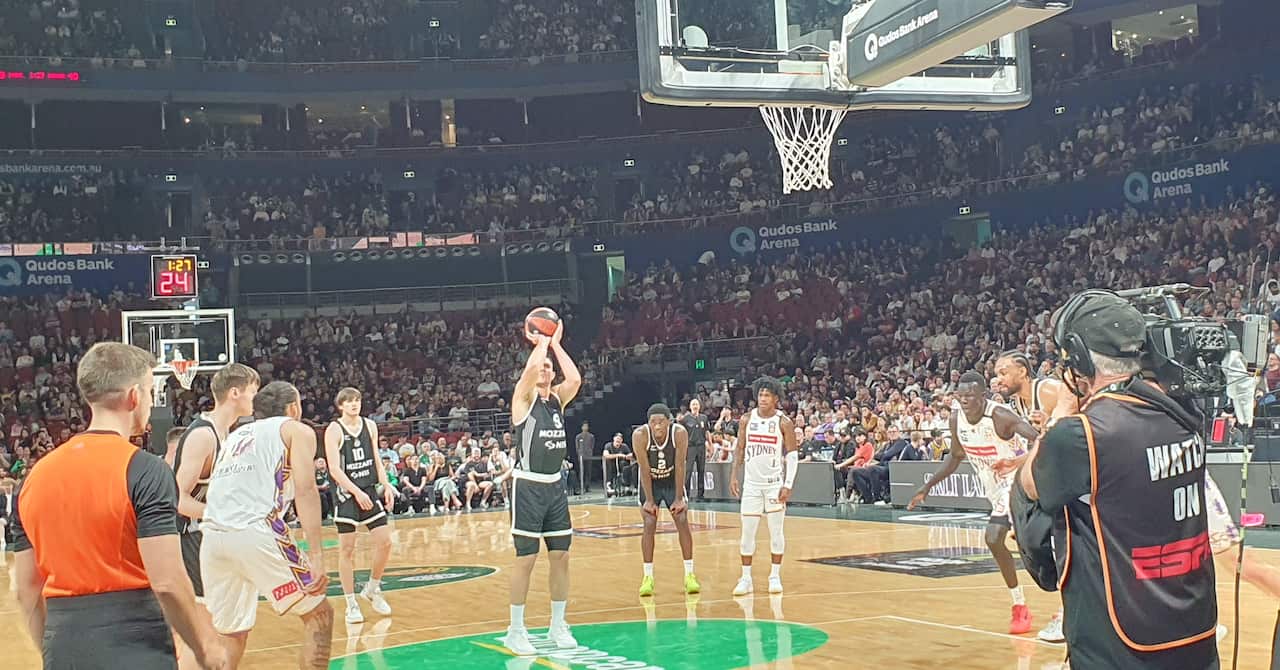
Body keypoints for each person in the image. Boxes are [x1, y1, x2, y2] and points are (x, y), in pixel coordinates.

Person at [1017, 290, 1219, 668]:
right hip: (1194, 627)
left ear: (1078, 359)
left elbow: (1029, 484)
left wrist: (1063, 409)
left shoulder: (1082, 433)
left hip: (1121, 641)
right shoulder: (1188, 411)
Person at [11, 342, 227, 670]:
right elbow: (167, 581)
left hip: (63, 639)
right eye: (150, 390)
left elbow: (26, 589)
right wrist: (204, 648)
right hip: (134, 638)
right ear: (134, 396)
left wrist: (52, 651)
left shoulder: (33, 477)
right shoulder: (145, 469)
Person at [200, 381, 333, 669]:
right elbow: (306, 490)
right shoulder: (296, 429)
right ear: (293, 408)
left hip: (211, 537)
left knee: (231, 633)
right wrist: (316, 556)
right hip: (255, 529)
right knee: (320, 615)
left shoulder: (235, 436)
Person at [908, 371, 1040, 634]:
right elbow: (956, 456)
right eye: (961, 396)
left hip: (1017, 481)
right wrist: (927, 486)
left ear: (983, 395)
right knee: (1018, 544)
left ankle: (1021, 607)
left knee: (992, 537)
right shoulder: (956, 419)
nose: (965, 400)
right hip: (993, 488)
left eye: (970, 395)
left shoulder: (1000, 416)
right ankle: (1022, 601)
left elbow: (1039, 439)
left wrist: (1018, 461)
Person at [172, 363, 260, 669]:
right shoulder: (203, 436)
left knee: (228, 631)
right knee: (203, 636)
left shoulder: (227, 434)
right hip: (190, 539)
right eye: (252, 391)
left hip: (210, 538)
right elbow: (178, 498)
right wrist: (221, 514)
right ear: (235, 393)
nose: (255, 398)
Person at [504, 319, 582, 656]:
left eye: (550, 368)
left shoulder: (557, 401)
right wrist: (541, 343)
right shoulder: (524, 399)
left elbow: (575, 379)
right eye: (542, 366)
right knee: (526, 558)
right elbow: (530, 371)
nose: (545, 369)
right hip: (528, 486)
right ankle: (515, 630)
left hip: (555, 487)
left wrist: (557, 345)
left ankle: (557, 624)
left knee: (561, 556)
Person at [995, 350, 1068, 643]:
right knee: (1043, 545)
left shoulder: (1047, 389)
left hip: (1073, 474)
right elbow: (1043, 443)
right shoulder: (1018, 403)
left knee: (1065, 545)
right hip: (1051, 476)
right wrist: (1016, 462)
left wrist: (1052, 420)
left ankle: (1068, 613)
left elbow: (1082, 413)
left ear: (1023, 372)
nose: (998, 379)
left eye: (1003, 372)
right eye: (997, 374)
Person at [324, 387, 395, 624]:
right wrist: (355, 492)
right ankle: (351, 604)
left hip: (368, 490)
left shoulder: (370, 426)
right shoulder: (334, 430)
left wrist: (386, 485)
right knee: (347, 550)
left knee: (385, 542)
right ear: (340, 406)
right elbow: (334, 469)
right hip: (346, 494)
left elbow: (376, 459)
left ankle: (372, 588)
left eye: (357, 400)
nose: (354, 404)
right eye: (349, 401)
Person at [729, 377, 798, 596]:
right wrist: (734, 475)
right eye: (760, 394)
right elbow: (740, 448)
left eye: (767, 395)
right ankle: (746, 578)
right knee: (747, 534)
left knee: (776, 532)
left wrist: (788, 484)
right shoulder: (747, 419)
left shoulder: (783, 422)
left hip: (774, 485)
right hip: (751, 485)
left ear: (776, 398)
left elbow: (792, 455)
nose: (763, 398)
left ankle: (774, 575)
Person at [633, 403, 700, 597]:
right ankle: (647, 577)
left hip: (672, 480)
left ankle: (689, 574)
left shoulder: (679, 433)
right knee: (649, 522)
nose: (657, 426)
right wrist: (649, 501)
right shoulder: (640, 435)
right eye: (653, 422)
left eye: (661, 422)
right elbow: (644, 469)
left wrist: (679, 498)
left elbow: (680, 466)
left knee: (681, 519)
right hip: (651, 482)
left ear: (669, 422)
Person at [849, 429, 927, 504]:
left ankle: (877, 497)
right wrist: (882, 456)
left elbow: (887, 455)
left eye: (894, 431)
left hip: (891, 468)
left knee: (873, 469)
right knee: (855, 472)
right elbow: (877, 455)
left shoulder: (901, 443)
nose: (892, 433)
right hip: (881, 465)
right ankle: (868, 497)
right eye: (890, 432)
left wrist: (883, 455)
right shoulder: (886, 444)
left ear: (898, 432)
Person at [680, 398, 710, 500]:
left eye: (696, 404)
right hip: (690, 447)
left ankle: (701, 494)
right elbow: (681, 434)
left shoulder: (704, 418)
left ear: (699, 406)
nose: (695, 406)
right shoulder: (685, 419)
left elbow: (707, 432)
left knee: (701, 470)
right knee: (688, 470)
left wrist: (710, 445)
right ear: (690, 406)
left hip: (701, 446)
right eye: (693, 404)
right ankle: (686, 494)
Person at [575, 421, 595, 493]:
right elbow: (577, 447)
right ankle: (581, 486)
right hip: (581, 456)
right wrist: (579, 453)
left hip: (589, 455)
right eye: (584, 426)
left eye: (586, 426)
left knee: (588, 471)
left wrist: (590, 452)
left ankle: (587, 486)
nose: (585, 427)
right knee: (581, 471)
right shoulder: (578, 436)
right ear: (582, 427)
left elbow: (592, 446)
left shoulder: (591, 436)